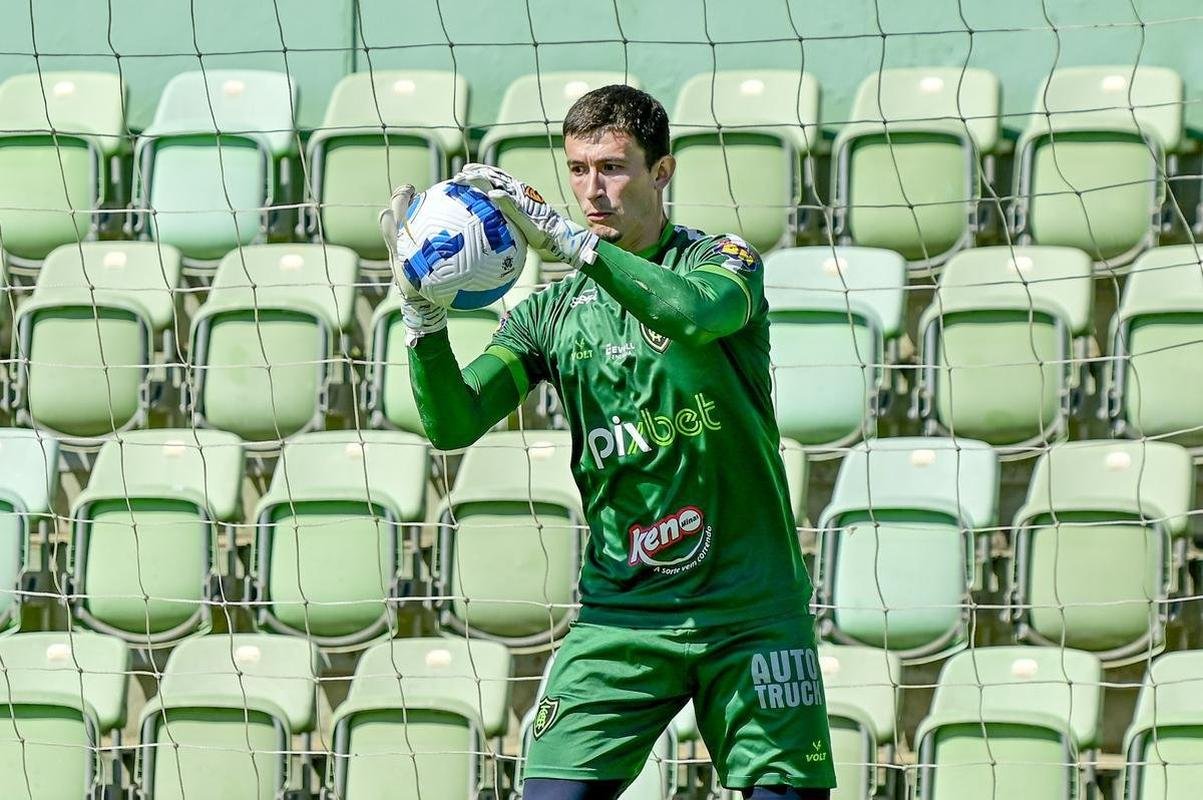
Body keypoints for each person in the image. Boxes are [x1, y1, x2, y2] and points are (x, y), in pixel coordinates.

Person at [380, 84, 835, 800]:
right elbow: (452, 423)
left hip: (750, 611)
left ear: (662, 172)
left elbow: (688, 316)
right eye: (579, 170)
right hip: (620, 616)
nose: (593, 190)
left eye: (614, 168)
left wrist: (572, 242)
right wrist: (421, 321)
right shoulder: (549, 313)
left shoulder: (722, 263)